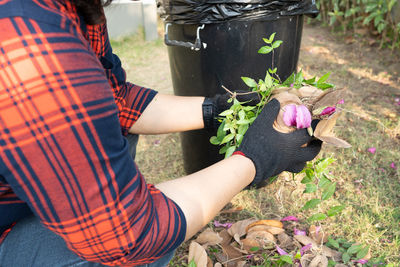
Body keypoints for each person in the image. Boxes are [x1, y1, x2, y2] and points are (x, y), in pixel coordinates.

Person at [0, 0, 322, 266]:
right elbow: (132, 234)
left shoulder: (73, 9)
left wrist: (223, 108)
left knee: (110, 127)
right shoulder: (25, 37)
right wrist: (258, 158)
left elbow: (116, 100)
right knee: (146, 247)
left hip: (16, 197)